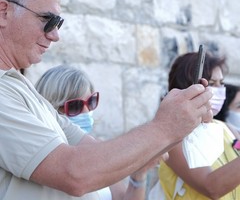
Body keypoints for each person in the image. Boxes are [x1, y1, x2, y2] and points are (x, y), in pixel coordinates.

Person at [0, 0, 213, 199]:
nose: (55, 34)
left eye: (58, 23)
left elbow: (92, 152)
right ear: (4, 12)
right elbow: (75, 174)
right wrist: (164, 127)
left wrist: (181, 120)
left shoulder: (21, 88)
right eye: (47, 20)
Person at [35, 64, 160, 199]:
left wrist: (138, 176)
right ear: (52, 107)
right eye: (75, 106)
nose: (86, 111)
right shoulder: (43, 156)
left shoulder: (96, 149)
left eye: (91, 102)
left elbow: (122, 197)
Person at [158, 51, 240, 199]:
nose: (219, 90)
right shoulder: (174, 138)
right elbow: (212, 187)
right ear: (188, 86)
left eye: (221, 83)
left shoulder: (229, 130)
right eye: (212, 83)